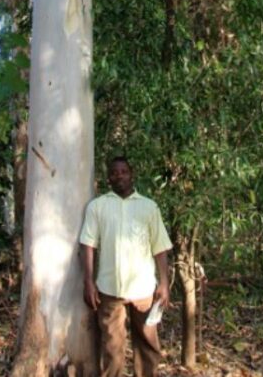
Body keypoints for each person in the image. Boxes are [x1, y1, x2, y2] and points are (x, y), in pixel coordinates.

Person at [79, 156, 172, 377]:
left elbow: (160, 247)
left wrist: (165, 283)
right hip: (109, 290)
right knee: (112, 346)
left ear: (131, 174)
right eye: (114, 172)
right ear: (108, 178)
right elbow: (88, 245)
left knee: (148, 343)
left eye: (123, 171)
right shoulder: (98, 206)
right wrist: (88, 282)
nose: (118, 176)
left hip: (143, 290)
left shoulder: (149, 207)